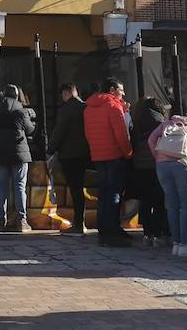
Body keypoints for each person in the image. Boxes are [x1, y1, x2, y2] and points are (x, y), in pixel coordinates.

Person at [148, 109, 187, 259]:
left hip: (162, 166)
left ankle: (176, 244)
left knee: (172, 205)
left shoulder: (166, 124)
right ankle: (184, 244)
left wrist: (159, 156)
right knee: (186, 205)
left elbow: (151, 140)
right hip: (184, 165)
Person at [84, 79, 134, 247]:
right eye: (121, 90)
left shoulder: (89, 108)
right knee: (114, 194)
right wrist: (128, 153)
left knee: (103, 193)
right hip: (114, 155)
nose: (123, 94)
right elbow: (122, 135)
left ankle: (104, 231)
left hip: (98, 155)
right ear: (112, 90)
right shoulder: (113, 106)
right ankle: (112, 232)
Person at [0, 84, 35, 233]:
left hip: (1, 154)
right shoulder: (20, 111)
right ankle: (21, 221)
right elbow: (30, 129)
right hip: (18, 153)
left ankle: (0, 221)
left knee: (1, 188)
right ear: (16, 95)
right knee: (19, 187)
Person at [129, 96, 170, 247]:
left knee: (144, 200)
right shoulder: (160, 122)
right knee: (158, 200)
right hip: (156, 163)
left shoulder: (136, 120)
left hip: (139, 164)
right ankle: (159, 233)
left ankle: (147, 233)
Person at [51, 83, 91, 235]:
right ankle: (82, 223)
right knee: (81, 188)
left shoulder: (66, 110)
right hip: (84, 153)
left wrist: (50, 149)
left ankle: (78, 224)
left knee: (75, 190)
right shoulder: (86, 107)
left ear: (67, 93)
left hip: (69, 155)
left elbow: (59, 132)